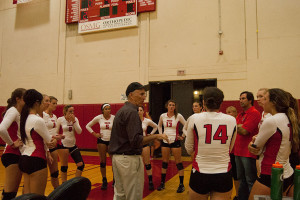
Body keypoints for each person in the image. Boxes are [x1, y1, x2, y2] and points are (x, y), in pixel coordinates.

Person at [108, 82, 168, 200]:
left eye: (144, 94)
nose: (144, 97)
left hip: (118, 158)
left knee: (120, 194)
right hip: (129, 160)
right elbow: (136, 141)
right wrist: (156, 136)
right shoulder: (131, 112)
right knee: (133, 196)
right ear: (131, 95)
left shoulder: (122, 110)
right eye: (141, 94)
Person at [185, 87, 237, 200]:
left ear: (203, 102)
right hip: (224, 173)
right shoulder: (232, 120)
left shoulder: (194, 118)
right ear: (221, 103)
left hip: (200, 172)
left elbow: (189, 149)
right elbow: (230, 148)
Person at [248, 88, 299, 199]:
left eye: (265, 98)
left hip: (270, 173)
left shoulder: (272, 120)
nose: (262, 101)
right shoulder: (287, 117)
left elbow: (256, 146)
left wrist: (252, 142)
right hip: (287, 172)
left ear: (273, 102)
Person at [18, 89, 56, 195]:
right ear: (36, 103)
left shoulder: (23, 118)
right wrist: (54, 140)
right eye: (41, 103)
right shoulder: (38, 120)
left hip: (24, 158)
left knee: (27, 195)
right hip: (36, 160)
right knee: (37, 197)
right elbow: (50, 141)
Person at [234, 91, 261, 200]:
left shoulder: (254, 113)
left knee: (250, 180)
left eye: (243, 98)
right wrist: (239, 126)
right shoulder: (240, 114)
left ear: (250, 100)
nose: (241, 100)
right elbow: (235, 129)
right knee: (241, 179)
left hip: (248, 153)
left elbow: (244, 131)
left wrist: (238, 127)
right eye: (240, 98)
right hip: (238, 151)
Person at [0, 88, 26, 200]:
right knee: (9, 194)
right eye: (25, 98)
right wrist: (11, 144)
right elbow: (1, 129)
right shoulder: (13, 111)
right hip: (12, 154)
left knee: (10, 192)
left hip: (17, 154)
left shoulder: (19, 113)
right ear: (18, 99)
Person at [157, 99, 186, 193]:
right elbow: (159, 126)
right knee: (164, 162)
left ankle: (181, 184)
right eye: (170, 105)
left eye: (173, 105)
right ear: (167, 106)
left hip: (175, 141)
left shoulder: (178, 116)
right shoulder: (163, 116)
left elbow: (186, 125)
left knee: (179, 162)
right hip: (165, 141)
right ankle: (162, 183)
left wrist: (183, 136)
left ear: (175, 107)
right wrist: (161, 135)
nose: (171, 106)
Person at [86, 103, 115, 190]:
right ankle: (104, 180)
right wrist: (95, 134)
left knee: (114, 161)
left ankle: (115, 179)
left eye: (109, 108)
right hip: (101, 141)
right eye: (106, 109)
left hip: (111, 141)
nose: (108, 110)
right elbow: (88, 126)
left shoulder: (114, 117)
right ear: (102, 110)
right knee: (103, 162)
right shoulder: (99, 117)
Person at [57, 105, 83, 183]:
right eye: (70, 111)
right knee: (64, 167)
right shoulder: (60, 119)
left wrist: (74, 121)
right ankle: (64, 184)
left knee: (80, 164)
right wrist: (59, 136)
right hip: (63, 145)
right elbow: (56, 131)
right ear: (65, 112)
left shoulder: (75, 119)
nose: (72, 113)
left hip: (72, 144)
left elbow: (79, 131)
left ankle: (75, 182)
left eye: (73, 111)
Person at [43, 96, 62, 189]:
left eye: (56, 103)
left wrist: (56, 138)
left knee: (55, 172)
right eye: (53, 103)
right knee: (42, 173)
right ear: (48, 103)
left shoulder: (54, 116)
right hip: (43, 146)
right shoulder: (42, 115)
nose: (55, 105)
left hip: (53, 146)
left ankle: (57, 192)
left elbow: (54, 131)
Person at [138, 106, 158, 191]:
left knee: (147, 163)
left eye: (141, 110)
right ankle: (137, 181)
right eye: (138, 110)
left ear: (143, 112)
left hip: (144, 143)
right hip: (135, 144)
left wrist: (150, 134)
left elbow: (156, 126)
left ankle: (150, 181)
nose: (139, 111)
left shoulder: (146, 120)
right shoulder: (132, 120)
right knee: (136, 164)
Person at [226, 106, 239, 200]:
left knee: (236, 175)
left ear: (235, 113)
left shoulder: (236, 122)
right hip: (227, 152)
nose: (229, 114)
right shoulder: (226, 122)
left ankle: (238, 194)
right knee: (228, 175)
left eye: (231, 112)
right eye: (227, 112)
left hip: (237, 152)